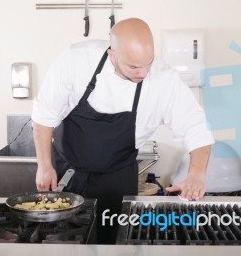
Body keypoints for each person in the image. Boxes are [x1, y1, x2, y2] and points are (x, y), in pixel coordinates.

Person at [31, 18, 215, 244]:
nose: (144, 73)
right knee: (62, 241)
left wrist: (196, 174)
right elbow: (43, 115)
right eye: (134, 67)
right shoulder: (76, 60)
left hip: (117, 179)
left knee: (115, 242)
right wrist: (44, 165)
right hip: (67, 174)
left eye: (149, 63)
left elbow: (195, 126)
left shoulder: (164, 79)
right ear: (113, 55)